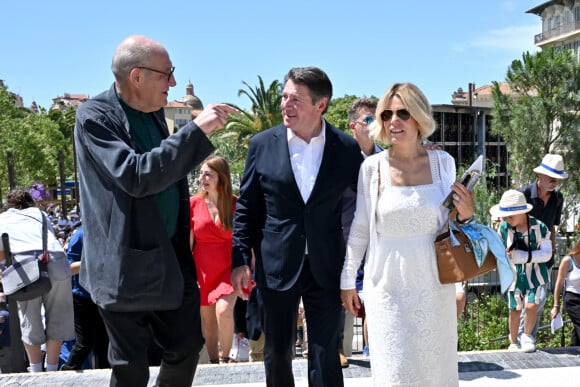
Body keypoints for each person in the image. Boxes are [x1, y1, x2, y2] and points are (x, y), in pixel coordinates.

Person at [73, 35, 236, 387]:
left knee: (186, 347)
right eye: (167, 74)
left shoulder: (156, 116)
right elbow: (135, 175)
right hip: (123, 266)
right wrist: (197, 130)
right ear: (137, 76)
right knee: (131, 366)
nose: (173, 83)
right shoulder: (94, 117)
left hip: (170, 260)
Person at [231, 66, 363, 387]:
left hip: (326, 264)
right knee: (276, 352)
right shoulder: (262, 145)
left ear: (321, 105)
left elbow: (369, 196)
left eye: (296, 99)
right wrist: (238, 259)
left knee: (325, 352)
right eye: (284, 96)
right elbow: (247, 207)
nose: (285, 105)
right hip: (276, 263)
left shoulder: (345, 149)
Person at [340, 82, 475, 386]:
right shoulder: (372, 168)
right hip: (386, 285)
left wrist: (467, 211)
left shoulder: (444, 164)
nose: (393, 121)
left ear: (419, 117)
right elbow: (361, 228)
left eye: (402, 113)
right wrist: (347, 281)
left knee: (434, 371)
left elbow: (452, 224)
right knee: (395, 373)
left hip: (434, 283)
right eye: (386, 114)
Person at [0, 189, 74, 372]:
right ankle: (52, 369)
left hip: (26, 266)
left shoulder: (3, 218)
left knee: (30, 317)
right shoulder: (40, 215)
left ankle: (36, 372)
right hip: (56, 261)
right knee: (58, 316)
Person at [339, 97, 379, 368]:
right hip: (344, 237)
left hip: (378, 240)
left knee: (376, 296)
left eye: (378, 118)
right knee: (341, 294)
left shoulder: (387, 159)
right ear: (354, 126)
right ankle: (338, 349)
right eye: (368, 119)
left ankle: (375, 348)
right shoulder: (340, 159)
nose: (375, 124)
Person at [490, 189, 552, 353]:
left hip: (536, 275)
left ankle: (527, 336)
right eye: (505, 216)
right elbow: (498, 249)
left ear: (522, 212)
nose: (506, 219)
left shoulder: (541, 228)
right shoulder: (503, 228)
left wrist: (522, 256)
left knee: (531, 305)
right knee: (515, 309)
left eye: (510, 216)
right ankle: (513, 341)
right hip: (514, 277)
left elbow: (547, 253)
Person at [190, 155, 237, 364]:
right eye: (201, 174)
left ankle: (226, 358)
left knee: (223, 310)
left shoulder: (235, 204)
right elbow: (187, 243)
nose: (203, 178)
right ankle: (214, 363)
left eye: (208, 174)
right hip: (202, 267)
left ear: (221, 177)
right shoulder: (193, 204)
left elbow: (245, 239)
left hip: (229, 267)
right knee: (207, 321)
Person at [518, 153, 567, 341]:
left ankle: (528, 337)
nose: (554, 182)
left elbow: (553, 226)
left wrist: (552, 250)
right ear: (541, 176)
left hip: (544, 255)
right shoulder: (523, 195)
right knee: (524, 302)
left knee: (538, 299)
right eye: (551, 177)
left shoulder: (558, 198)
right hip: (523, 253)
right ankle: (522, 338)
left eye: (557, 179)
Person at [60, 225, 110, 371]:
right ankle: (67, 372)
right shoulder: (80, 235)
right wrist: (96, 262)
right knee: (84, 343)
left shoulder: (109, 231)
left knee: (104, 342)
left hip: (104, 295)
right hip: (82, 297)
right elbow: (69, 268)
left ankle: (104, 378)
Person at [551, 239, 580, 346]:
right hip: (572, 299)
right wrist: (556, 305)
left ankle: (574, 348)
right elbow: (559, 283)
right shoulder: (568, 260)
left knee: (577, 329)